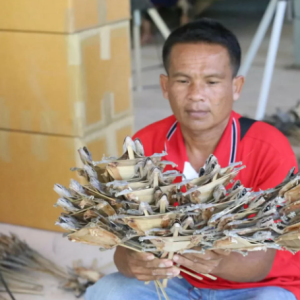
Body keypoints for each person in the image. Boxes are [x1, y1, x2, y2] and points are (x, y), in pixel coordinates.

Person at [85, 19, 300, 300]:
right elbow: (124, 247)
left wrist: (218, 262)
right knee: (107, 292)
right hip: (174, 284)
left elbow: (261, 264)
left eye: (211, 82)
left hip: (256, 287)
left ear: (236, 87)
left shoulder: (268, 147)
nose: (196, 95)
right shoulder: (145, 144)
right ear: (165, 85)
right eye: (183, 81)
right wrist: (134, 263)